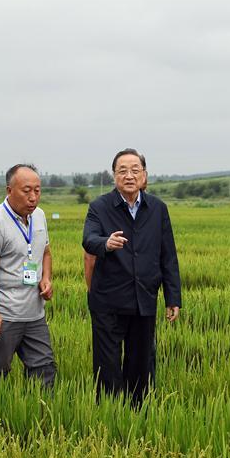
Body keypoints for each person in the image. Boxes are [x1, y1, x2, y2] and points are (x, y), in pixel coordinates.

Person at [82, 148, 181, 407]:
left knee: (141, 363)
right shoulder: (99, 207)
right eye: (122, 171)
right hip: (108, 302)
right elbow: (89, 240)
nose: (129, 175)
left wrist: (173, 298)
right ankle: (110, 415)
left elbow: (168, 255)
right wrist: (106, 242)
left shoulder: (158, 208)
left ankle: (137, 415)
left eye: (135, 170)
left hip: (144, 300)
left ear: (144, 175)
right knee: (108, 365)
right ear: (114, 176)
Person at [0, 164, 55, 386]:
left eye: (37, 190)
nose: (33, 197)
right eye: (26, 190)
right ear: (9, 191)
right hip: (4, 312)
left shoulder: (39, 216)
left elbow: (45, 253)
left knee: (44, 369)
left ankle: (42, 414)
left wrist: (46, 278)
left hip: (34, 312)